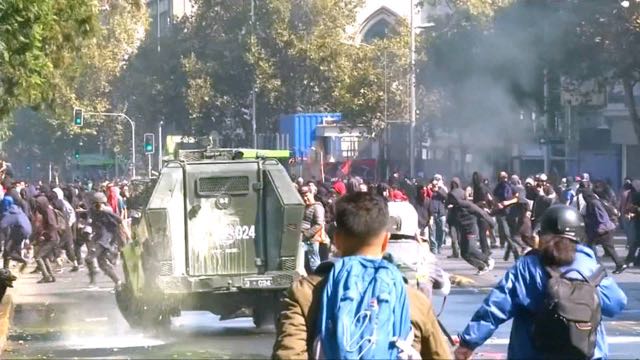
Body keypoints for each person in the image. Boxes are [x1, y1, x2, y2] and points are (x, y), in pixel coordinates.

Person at [272, 192, 451, 359]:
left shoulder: (304, 294)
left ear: (336, 239)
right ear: (385, 241)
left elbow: (289, 354)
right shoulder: (413, 300)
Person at [454, 205, 627, 360]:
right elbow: (617, 303)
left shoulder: (528, 267)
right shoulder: (591, 268)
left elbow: (496, 307)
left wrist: (468, 343)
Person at [448, 186, 495, 274]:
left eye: (453, 198)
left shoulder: (468, 205)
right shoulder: (454, 208)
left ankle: (487, 260)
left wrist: (491, 223)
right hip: (463, 231)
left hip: (471, 230)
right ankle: (481, 267)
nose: (452, 200)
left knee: (471, 249)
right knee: (464, 253)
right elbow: (451, 221)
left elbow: (482, 213)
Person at [582, 188, 627, 274]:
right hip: (600, 230)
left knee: (604, 248)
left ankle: (617, 264)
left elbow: (602, 218)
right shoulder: (592, 202)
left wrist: (601, 228)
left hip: (603, 230)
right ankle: (619, 264)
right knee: (606, 248)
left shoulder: (594, 203)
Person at [86, 192, 123, 288]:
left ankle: (92, 281)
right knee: (102, 263)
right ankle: (117, 281)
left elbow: (119, 220)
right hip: (98, 237)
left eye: (97, 203)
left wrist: (106, 211)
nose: (95, 206)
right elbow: (90, 221)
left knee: (89, 258)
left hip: (104, 239)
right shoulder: (92, 211)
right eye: (93, 203)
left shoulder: (106, 212)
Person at [299, 186, 327, 273]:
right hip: (303, 239)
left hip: (311, 239)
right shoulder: (305, 206)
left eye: (307, 195)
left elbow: (319, 224)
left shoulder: (317, 207)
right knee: (302, 263)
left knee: (314, 263)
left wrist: (306, 234)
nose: (305, 198)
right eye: (303, 196)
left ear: (312, 194)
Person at [0, 196, 31, 272]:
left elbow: (2, 225)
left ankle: (23, 261)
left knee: (8, 251)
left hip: (19, 232)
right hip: (25, 231)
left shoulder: (10, 213)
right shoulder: (17, 209)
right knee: (10, 251)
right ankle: (6, 269)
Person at [429, 174, 448, 254]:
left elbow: (446, 197)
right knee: (432, 231)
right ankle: (434, 248)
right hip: (432, 212)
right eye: (435, 179)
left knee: (441, 231)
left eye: (438, 180)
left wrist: (439, 189)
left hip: (441, 212)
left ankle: (439, 245)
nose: (436, 182)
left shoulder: (443, 189)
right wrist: (431, 188)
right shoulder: (429, 189)